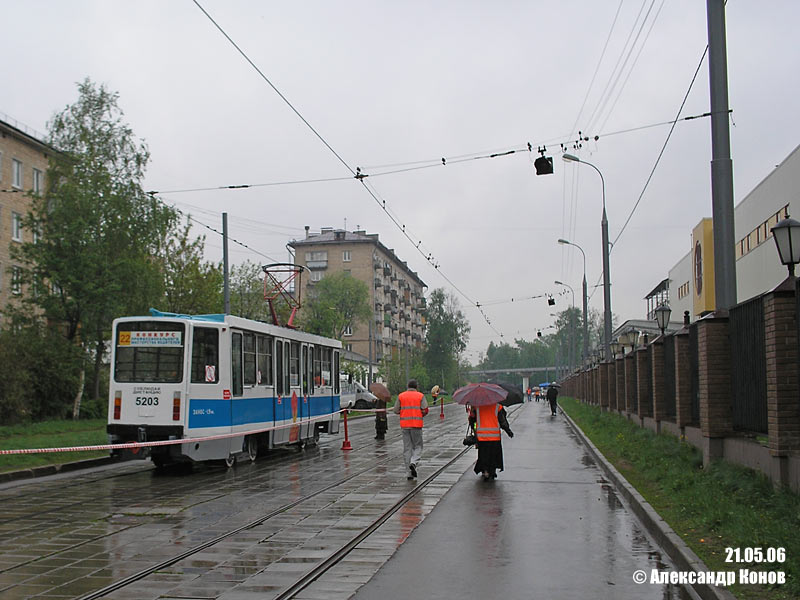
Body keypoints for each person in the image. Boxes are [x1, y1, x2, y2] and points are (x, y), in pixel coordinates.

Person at [393, 379, 428, 479]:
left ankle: (409, 473)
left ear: (408, 386)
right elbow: (425, 409)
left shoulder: (401, 396)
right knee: (418, 446)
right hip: (416, 425)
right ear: (416, 387)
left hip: (405, 425)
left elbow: (396, 410)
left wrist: (403, 412)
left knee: (407, 449)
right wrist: (421, 414)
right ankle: (413, 462)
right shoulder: (420, 396)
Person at [468, 403, 513, 480]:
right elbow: (502, 421)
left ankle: (485, 471)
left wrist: (472, 421)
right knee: (494, 455)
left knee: (483, 455)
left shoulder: (477, 407)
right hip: (494, 437)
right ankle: (492, 471)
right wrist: (508, 431)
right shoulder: (498, 407)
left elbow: (472, 421)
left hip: (482, 437)